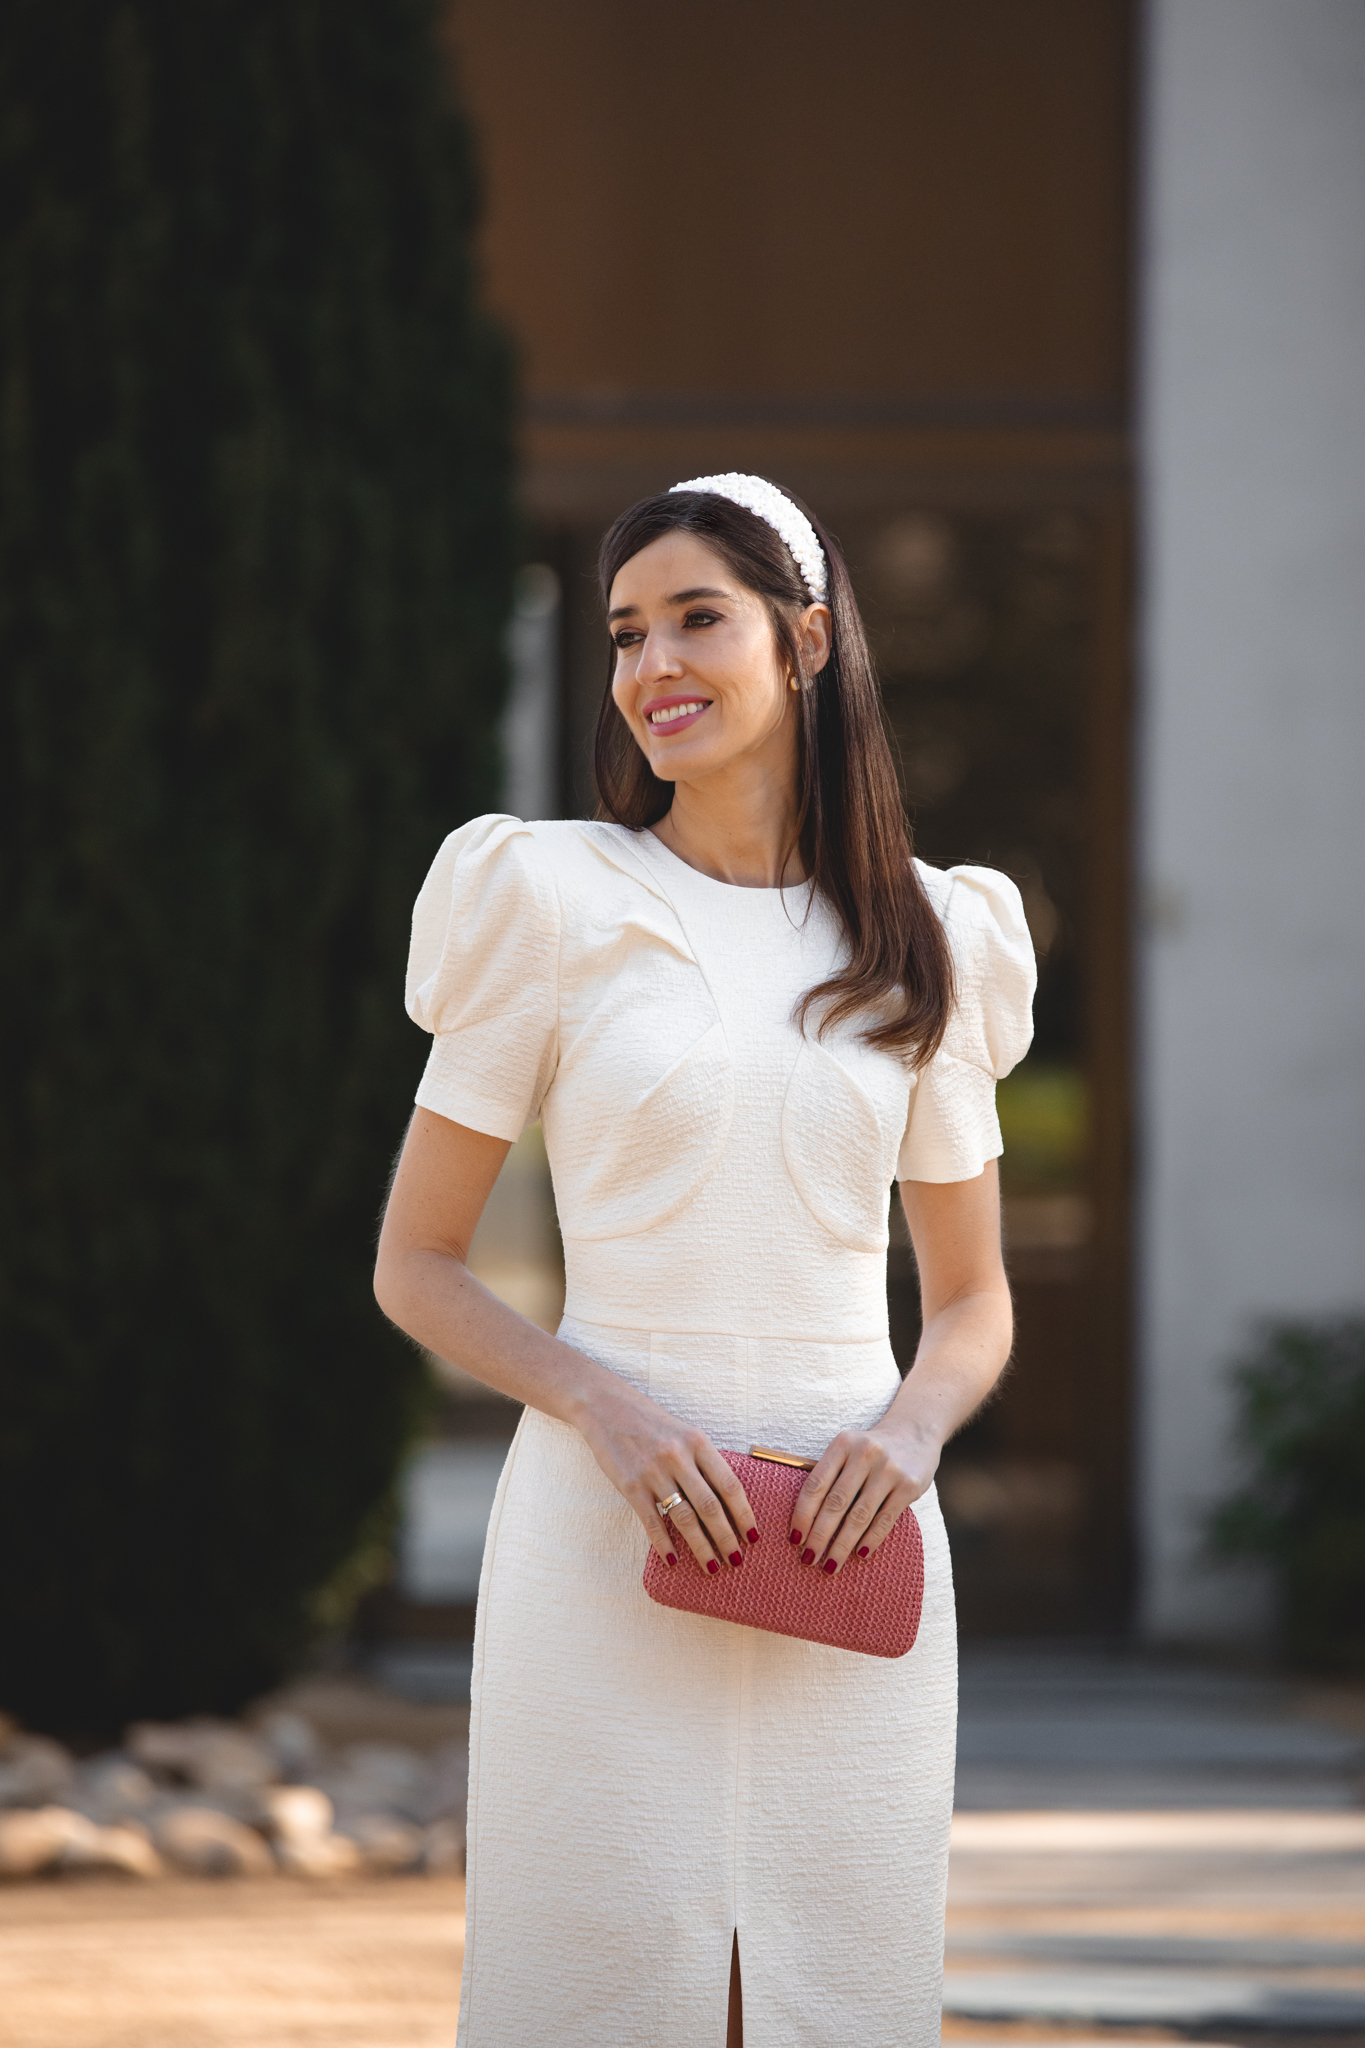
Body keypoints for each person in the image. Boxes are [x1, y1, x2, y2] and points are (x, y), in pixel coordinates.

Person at [373, 473, 1035, 2047]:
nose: (649, 665)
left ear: (804, 642)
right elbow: (417, 1262)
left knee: (831, 1994)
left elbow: (971, 1300)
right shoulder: (548, 896)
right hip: (601, 1550)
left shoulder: (928, 938)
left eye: (695, 619)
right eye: (621, 633)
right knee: (595, 1991)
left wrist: (909, 1429)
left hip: (843, 1542)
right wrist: (602, 1405)